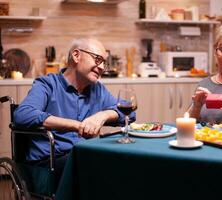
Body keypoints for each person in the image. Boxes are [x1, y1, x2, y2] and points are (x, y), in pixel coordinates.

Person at [14, 37, 136, 185]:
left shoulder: (98, 89)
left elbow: (130, 113)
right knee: (98, 166)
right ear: (76, 55)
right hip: (48, 164)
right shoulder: (47, 84)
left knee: (121, 161)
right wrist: (77, 125)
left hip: (81, 156)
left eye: (105, 62)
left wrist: (102, 115)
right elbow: (22, 115)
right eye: (98, 59)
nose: (103, 67)